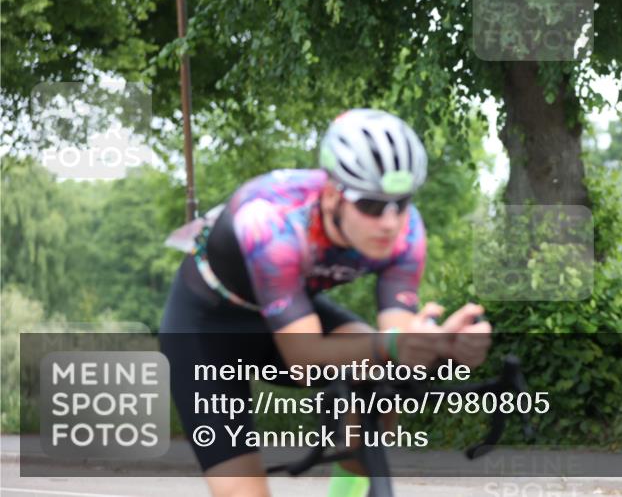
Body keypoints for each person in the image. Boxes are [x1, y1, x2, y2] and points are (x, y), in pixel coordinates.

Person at [158, 109, 492, 497]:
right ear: (333, 195)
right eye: (369, 205)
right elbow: (303, 359)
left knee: (379, 379)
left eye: (400, 203)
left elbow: (396, 335)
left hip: (289, 314)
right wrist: (395, 347)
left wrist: (437, 345)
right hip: (205, 332)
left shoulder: (406, 229)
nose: (388, 221)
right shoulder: (272, 221)